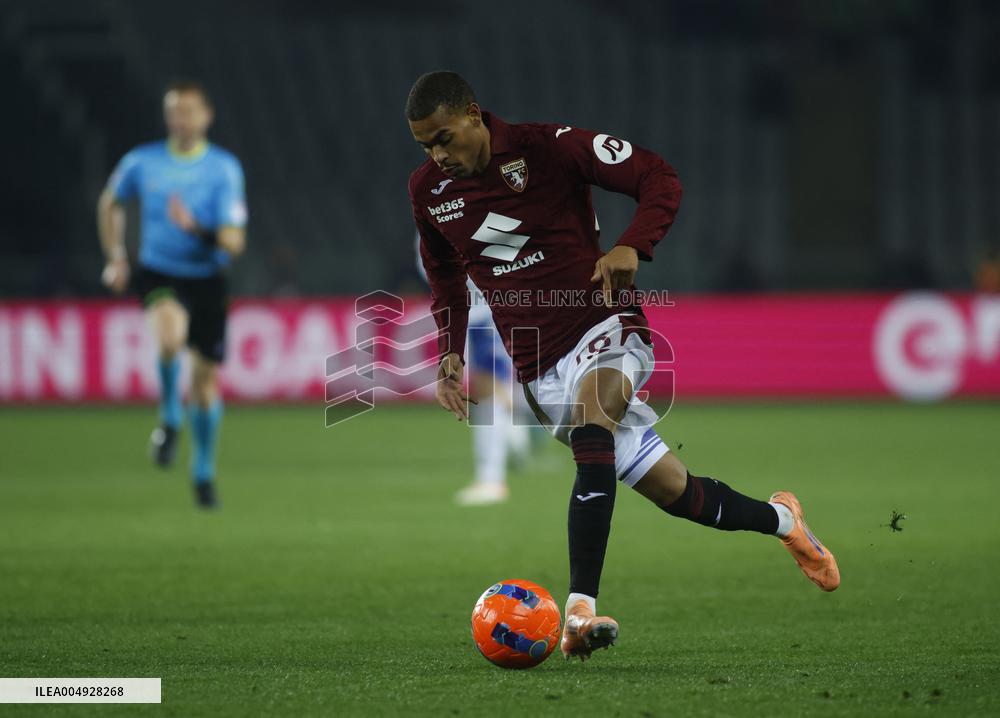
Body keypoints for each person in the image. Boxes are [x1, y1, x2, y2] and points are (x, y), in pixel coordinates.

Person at [406, 71, 839, 661]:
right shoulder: (428, 191)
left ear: (475, 115)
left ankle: (578, 611)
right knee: (679, 495)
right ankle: (784, 522)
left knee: (592, 433)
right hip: (538, 368)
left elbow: (657, 175)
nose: (438, 155)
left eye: (445, 137)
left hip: (605, 329)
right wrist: (450, 348)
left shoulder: (549, 147)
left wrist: (635, 242)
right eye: (425, 145)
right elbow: (446, 275)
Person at [97, 80, 247, 509]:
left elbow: (235, 243)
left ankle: (202, 471)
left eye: (188, 112)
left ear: (206, 116)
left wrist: (196, 228)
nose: (180, 120)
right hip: (159, 271)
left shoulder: (223, 169)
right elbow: (110, 203)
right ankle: (168, 415)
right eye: (173, 112)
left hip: (207, 278)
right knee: (169, 338)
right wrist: (116, 257)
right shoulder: (142, 163)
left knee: (203, 384)